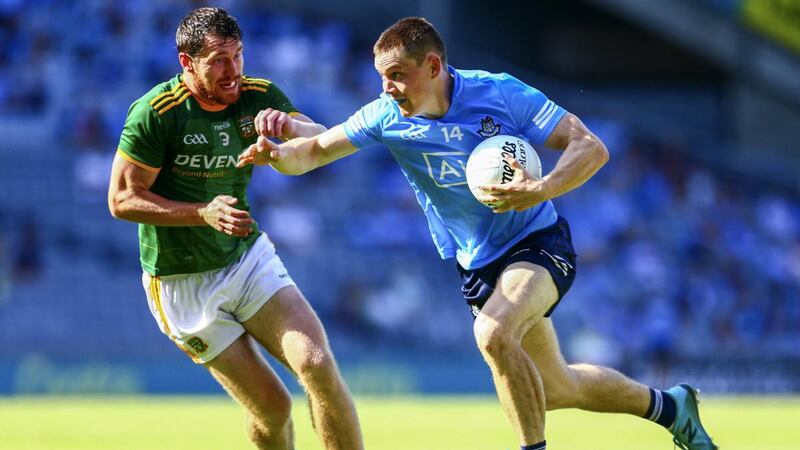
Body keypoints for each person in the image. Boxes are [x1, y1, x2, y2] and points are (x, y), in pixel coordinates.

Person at [238, 16, 718, 450]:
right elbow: (316, 150)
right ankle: (671, 407)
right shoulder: (385, 115)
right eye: (382, 77)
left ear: (432, 65)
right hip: (478, 263)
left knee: (491, 333)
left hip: (537, 242)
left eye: (397, 76)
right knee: (554, 388)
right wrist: (278, 157)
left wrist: (542, 188)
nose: (387, 89)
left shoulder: (500, 92)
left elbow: (588, 147)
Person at [107, 8, 363, 450]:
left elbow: (319, 138)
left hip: (246, 258)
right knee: (273, 409)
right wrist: (201, 212)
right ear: (187, 63)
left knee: (317, 364)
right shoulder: (156, 113)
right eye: (219, 60)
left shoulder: (258, 96)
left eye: (238, 56)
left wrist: (288, 129)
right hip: (180, 283)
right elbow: (121, 200)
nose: (233, 72)